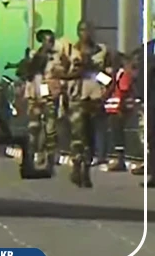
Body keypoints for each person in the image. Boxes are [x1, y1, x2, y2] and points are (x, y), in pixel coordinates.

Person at [63, 20, 109, 188]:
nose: (86, 33)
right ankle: (76, 166)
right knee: (77, 135)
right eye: (83, 29)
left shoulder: (101, 52)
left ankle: (86, 170)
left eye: (89, 29)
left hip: (94, 97)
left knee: (89, 136)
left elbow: (108, 76)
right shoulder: (70, 50)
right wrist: (77, 71)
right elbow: (64, 73)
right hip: (76, 96)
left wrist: (103, 94)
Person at [21, 29, 66, 178]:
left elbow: (61, 73)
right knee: (34, 128)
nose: (50, 43)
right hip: (35, 94)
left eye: (52, 40)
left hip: (50, 96)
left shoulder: (57, 57)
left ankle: (50, 159)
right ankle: (33, 156)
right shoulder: (34, 55)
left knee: (50, 129)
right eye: (47, 40)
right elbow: (28, 74)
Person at [102, 51, 135, 172]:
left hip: (118, 109)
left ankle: (120, 160)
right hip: (112, 108)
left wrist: (121, 107)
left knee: (118, 134)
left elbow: (124, 90)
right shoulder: (114, 75)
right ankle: (118, 159)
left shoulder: (123, 74)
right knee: (115, 134)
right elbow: (106, 84)